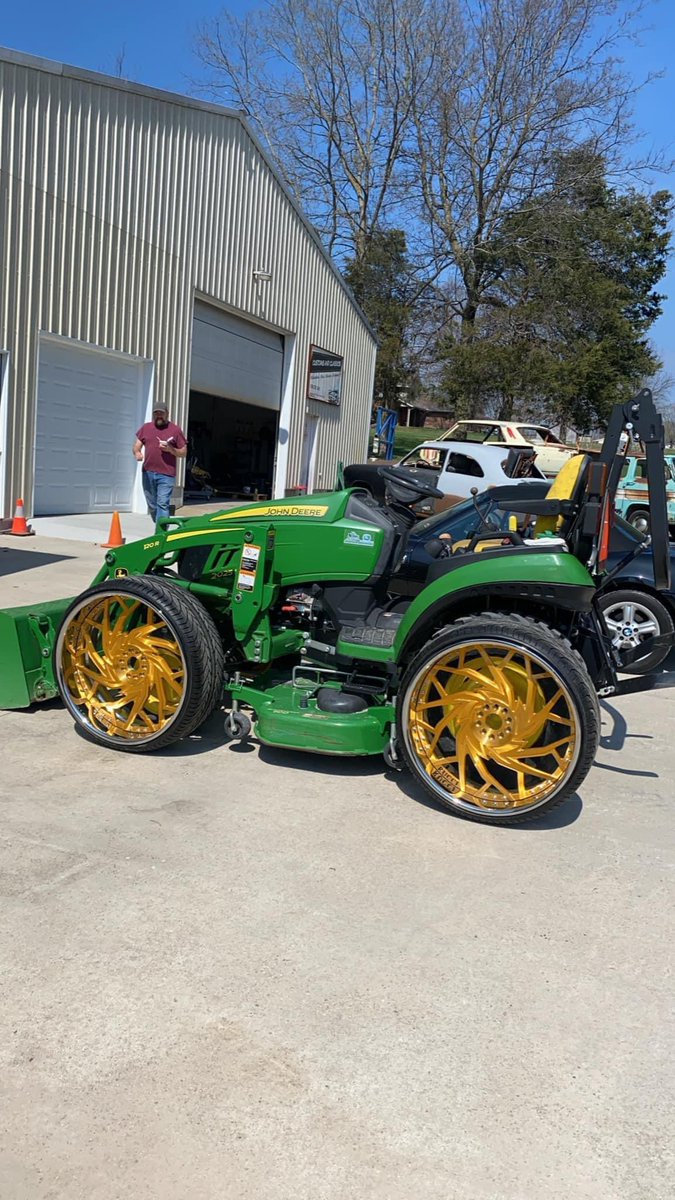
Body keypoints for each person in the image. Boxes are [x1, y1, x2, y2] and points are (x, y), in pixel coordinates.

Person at [133, 405, 188, 524]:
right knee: (152, 505)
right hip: (148, 472)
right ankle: (160, 525)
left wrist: (170, 449)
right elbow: (137, 446)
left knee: (162, 503)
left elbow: (183, 452)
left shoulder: (175, 430)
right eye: (156, 413)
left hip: (167, 474)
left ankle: (161, 533)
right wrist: (137, 453)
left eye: (161, 413)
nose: (159, 416)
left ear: (167, 413)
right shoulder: (146, 428)